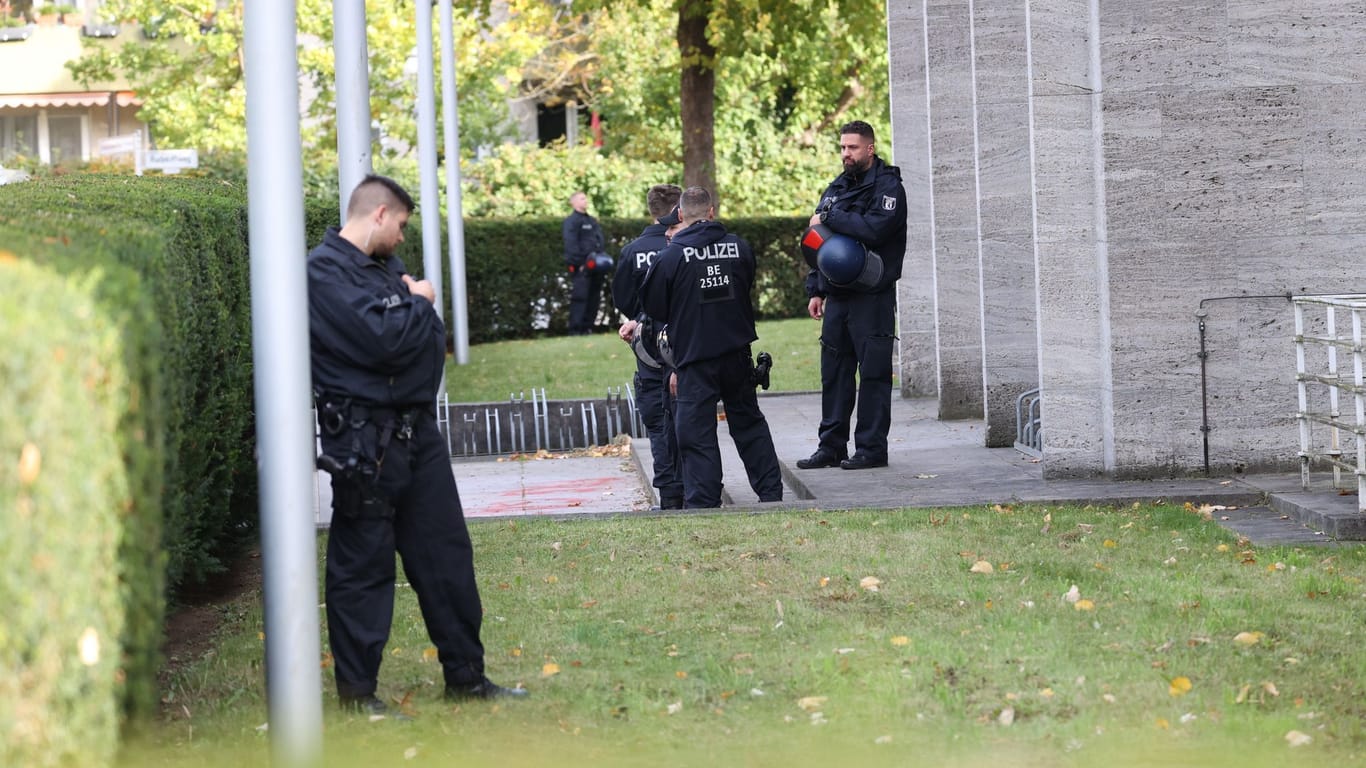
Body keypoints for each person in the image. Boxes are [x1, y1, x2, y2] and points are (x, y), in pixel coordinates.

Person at [308, 174, 528, 715]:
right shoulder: (323, 272)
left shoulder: (383, 269)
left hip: (415, 433)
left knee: (446, 557)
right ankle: (358, 695)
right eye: (402, 225)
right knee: (363, 569)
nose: (404, 238)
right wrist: (418, 302)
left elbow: (423, 342)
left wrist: (411, 308)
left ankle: (468, 678)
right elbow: (383, 341)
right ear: (379, 214)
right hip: (365, 441)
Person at [640, 186, 783, 508]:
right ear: (712, 211)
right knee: (748, 423)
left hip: (694, 357)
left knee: (696, 433)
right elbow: (745, 285)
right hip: (736, 353)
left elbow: (654, 307)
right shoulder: (739, 247)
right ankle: (771, 493)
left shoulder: (671, 256)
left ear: (680, 215)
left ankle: (704, 503)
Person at [796, 120, 908, 471]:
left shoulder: (888, 187)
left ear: (870, 148)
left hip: (872, 296)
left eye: (853, 147)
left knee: (873, 374)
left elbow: (874, 229)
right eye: (843, 147)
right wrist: (816, 287)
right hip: (837, 297)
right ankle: (831, 447)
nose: (846, 153)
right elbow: (819, 240)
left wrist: (831, 215)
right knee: (834, 372)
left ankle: (871, 450)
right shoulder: (837, 187)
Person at [612, 184, 685, 509]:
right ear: (679, 209)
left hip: (650, 348)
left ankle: (669, 493)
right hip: (688, 342)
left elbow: (622, 297)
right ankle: (697, 487)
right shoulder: (685, 245)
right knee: (690, 417)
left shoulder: (633, 250)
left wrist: (640, 320)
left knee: (657, 421)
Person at [562, 190, 608, 335]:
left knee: (594, 297)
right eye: (582, 199)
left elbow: (599, 241)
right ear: (573, 202)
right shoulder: (571, 222)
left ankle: (588, 328)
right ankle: (575, 330)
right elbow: (571, 244)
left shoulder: (591, 220)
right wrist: (580, 263)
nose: (585, 201)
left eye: (585, 199)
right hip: (581, 267)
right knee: (580, 297)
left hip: (596, 266)